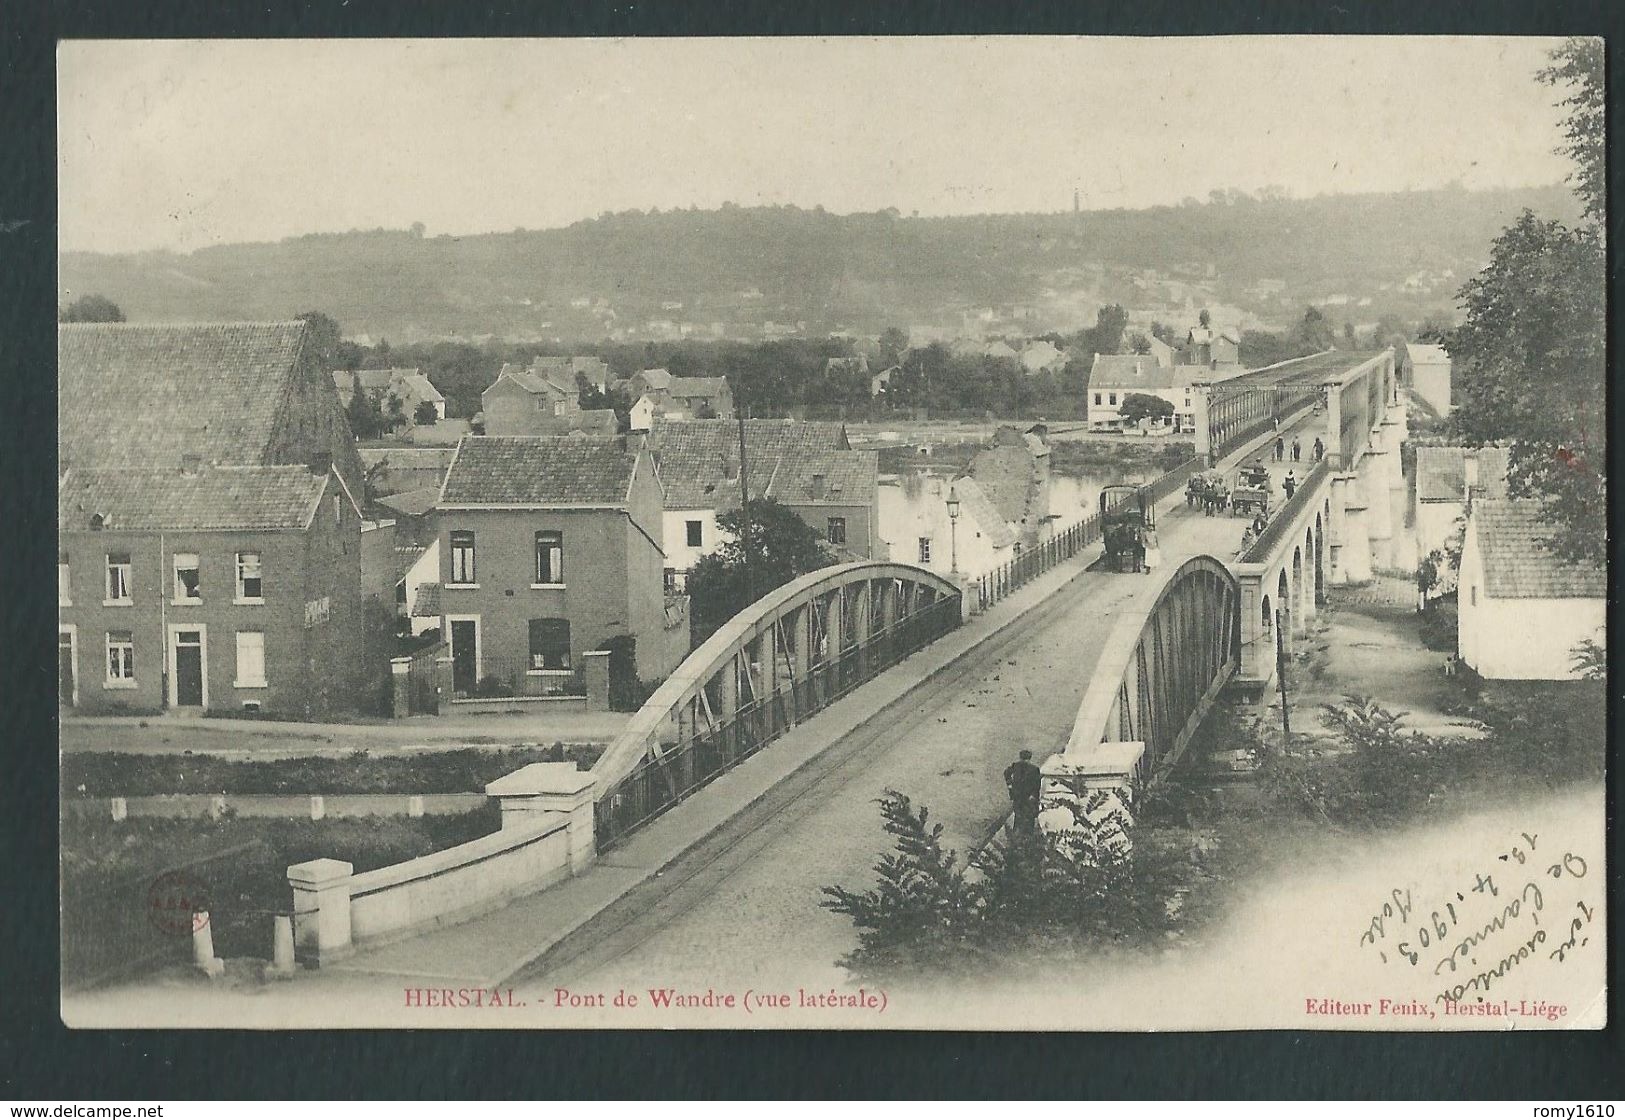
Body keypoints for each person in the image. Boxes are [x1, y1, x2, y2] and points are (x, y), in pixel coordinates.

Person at [1004, 750, 1042, 831]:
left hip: (1019, 796)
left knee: (1019, 816)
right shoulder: (1034, 769)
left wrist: (1010, 785)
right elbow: (1037, 785)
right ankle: (1024, 835)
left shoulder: (1016, 766)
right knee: (1026, 816)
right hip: (1026, 797)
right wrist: (1034, 796)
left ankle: (1018, 834)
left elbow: (1006, 773)